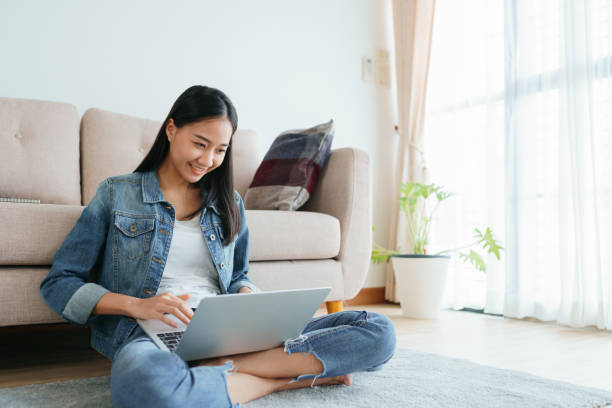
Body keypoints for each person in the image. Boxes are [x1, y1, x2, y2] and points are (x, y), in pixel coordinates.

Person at [40, 85, 397, 407]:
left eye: (220, 150)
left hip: (228, 332)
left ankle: (227, 368)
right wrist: (138, 306)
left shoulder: (228, 203)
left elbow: (238, 274)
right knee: (146, 389)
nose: (208, 160)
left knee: (379, 333)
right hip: (152, 334)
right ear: (171, 129)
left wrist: (246, 294)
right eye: (200, 143)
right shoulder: (117, 194)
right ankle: (279, 380)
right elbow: (60, 283)